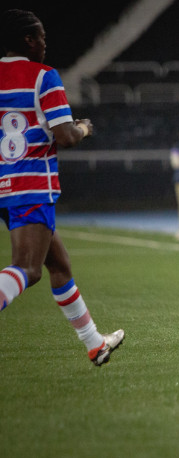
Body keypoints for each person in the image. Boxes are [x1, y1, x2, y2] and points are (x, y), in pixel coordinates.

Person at [0, 9, 124, 365]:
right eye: (41, 37)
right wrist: (83, 128)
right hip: (30, 185)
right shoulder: (43, 76)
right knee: (29, 268)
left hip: (3, 184)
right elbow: (65, 136)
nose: (45, 43)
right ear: (28, 40)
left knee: (60, 266)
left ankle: (95, 343)